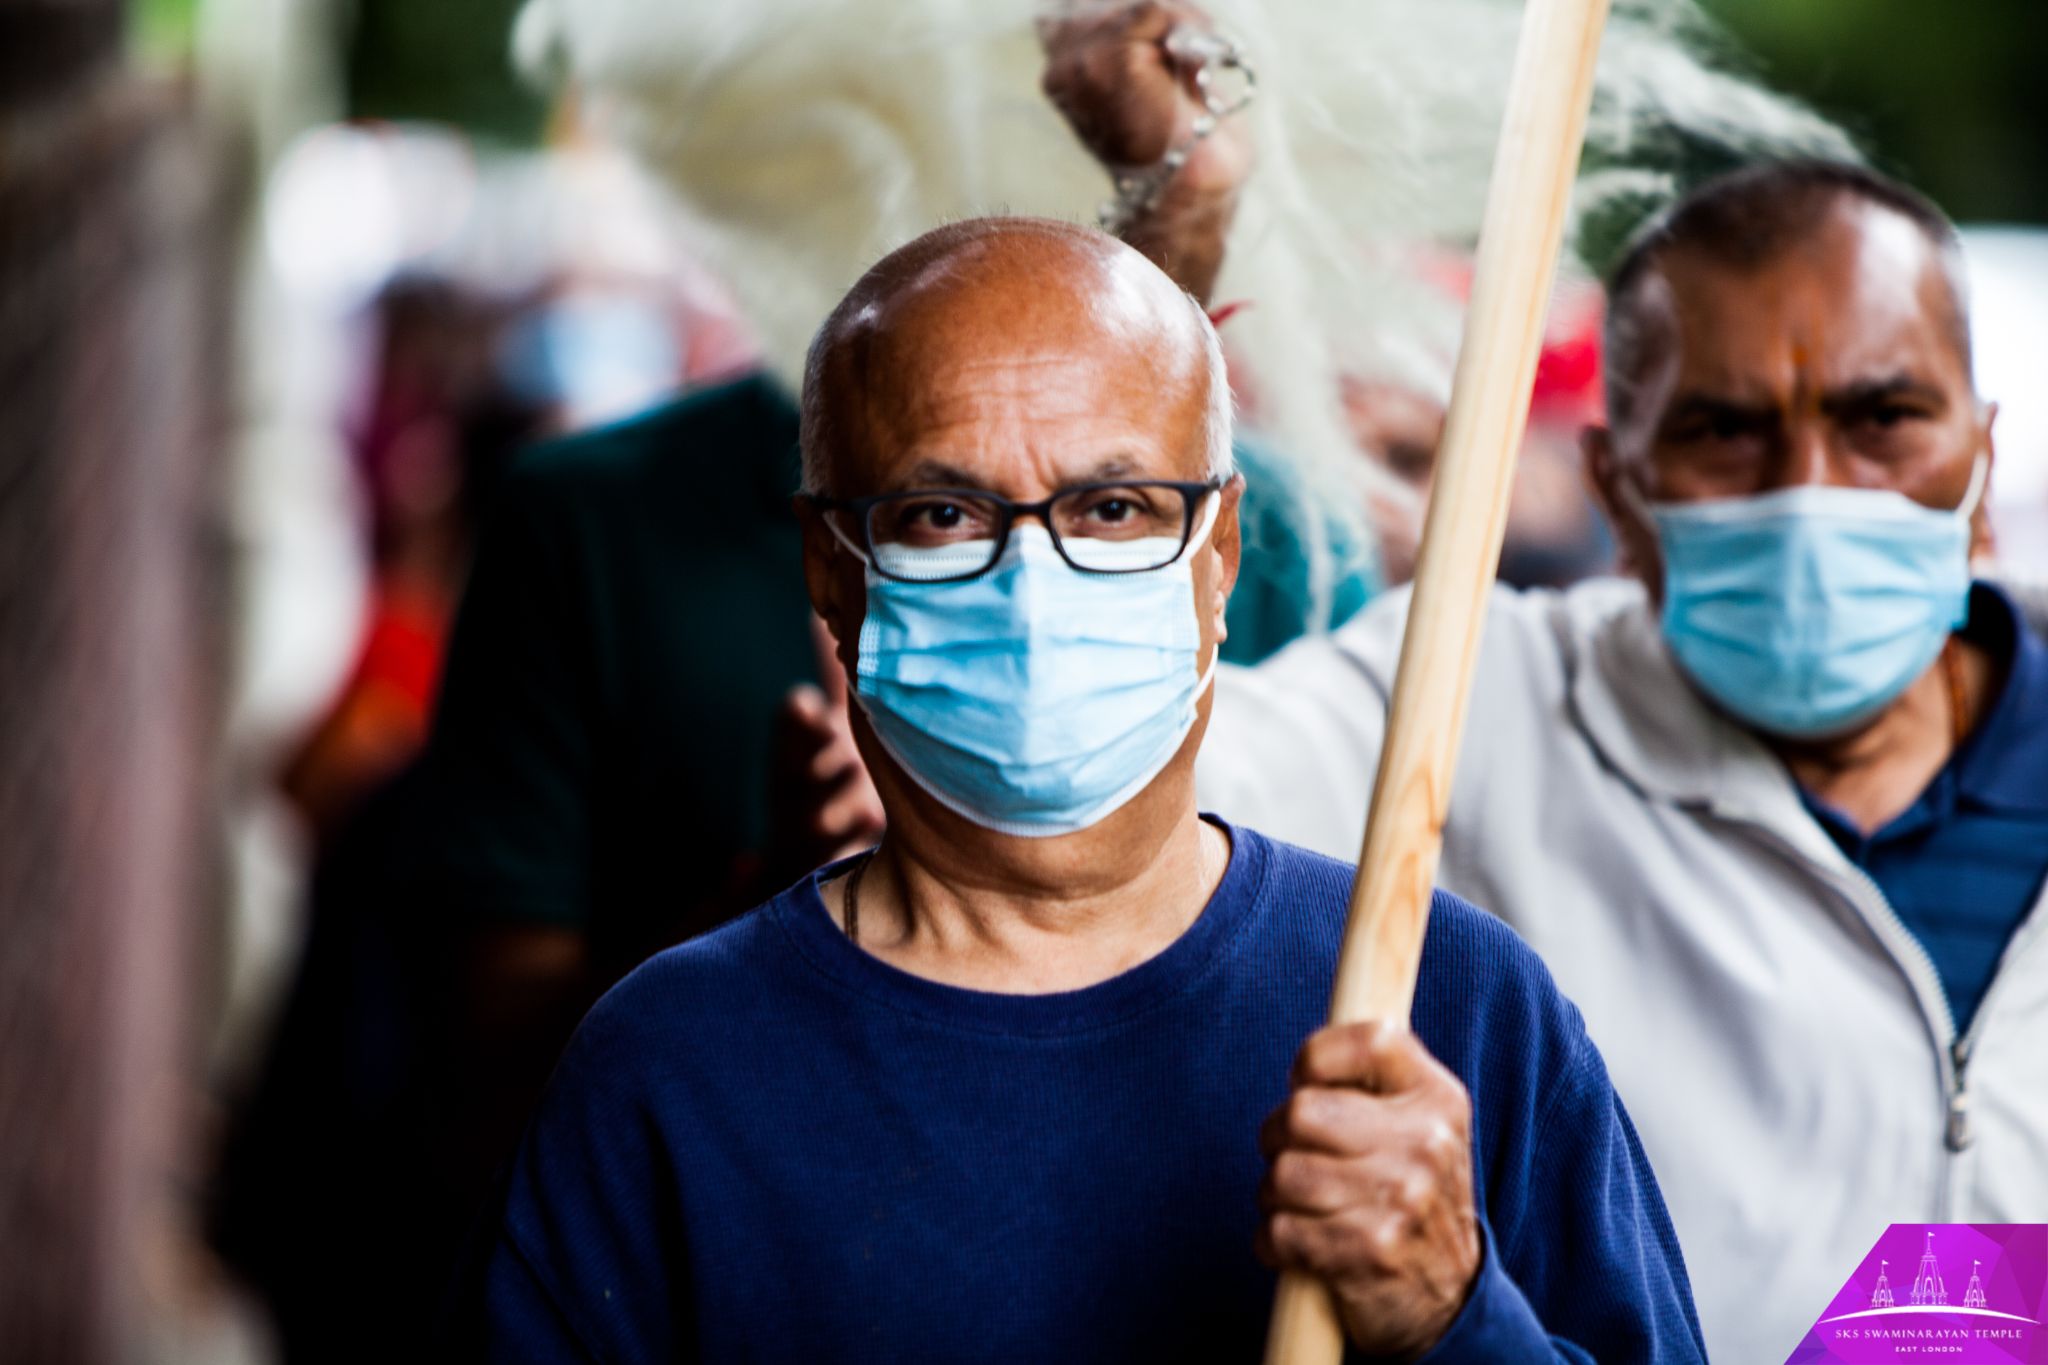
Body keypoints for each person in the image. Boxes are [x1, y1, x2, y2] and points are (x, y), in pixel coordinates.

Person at [453, 216, 1703, 1364]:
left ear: (1218, 555)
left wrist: (1454, 1316)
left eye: (1111, 507)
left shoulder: (1446, 1010)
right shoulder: (670, 1073)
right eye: (942, 514)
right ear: (831, 572)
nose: (1032, 586)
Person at [1198, 160, 2048, 1363]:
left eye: (1880, 421)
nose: (1808, 494)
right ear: (1616, 487)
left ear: (1978, 461)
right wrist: (1173, 234)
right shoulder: (1462, 696)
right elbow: (1143, 795)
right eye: (1722, 431)